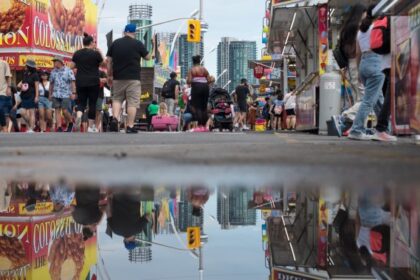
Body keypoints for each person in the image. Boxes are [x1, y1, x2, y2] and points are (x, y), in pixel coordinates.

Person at [106, 24, 155, 134]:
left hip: (118, 77)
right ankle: (130, 126)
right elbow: (148, 57)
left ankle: (115, 119)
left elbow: (108, 61)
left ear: (124, 32)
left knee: (117, 99)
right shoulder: (138, 44)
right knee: (132, 102)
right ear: (134, 33)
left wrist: (109, 75)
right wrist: (153, 45)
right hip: (133, 78)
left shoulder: (115, 43)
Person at [348, 6, 384, 141]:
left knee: (378, 100)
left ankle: (384, 129)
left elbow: (357, 53)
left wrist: (358, 71)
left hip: (364, 63)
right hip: (375, 62)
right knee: (368, 101)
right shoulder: (377, 26)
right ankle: (356, 130)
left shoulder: (360, 31)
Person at [372, 16, 397, 142]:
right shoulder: (395, 16)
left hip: (385, 62)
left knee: (391, 95)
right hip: (394, 61)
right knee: (391, 96)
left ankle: (386, 128)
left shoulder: (386, 18)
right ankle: (381, 129)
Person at [72, 34, 104, 133]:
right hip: (93, 81)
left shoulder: (77, 53)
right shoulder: (95, 54)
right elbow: (103, 63)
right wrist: (99, 51)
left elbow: (72, 66)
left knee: (81, 102)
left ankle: (79, 116)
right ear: (91, 43)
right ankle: (90, 127)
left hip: (80, 81)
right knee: (92, 103)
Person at [339, 4, 367, 104]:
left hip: (349, 63)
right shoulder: (359, 28)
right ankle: (357, 117)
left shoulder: (346, 28)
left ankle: (356, 117)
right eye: (365, 14)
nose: (366, 16)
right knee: (362, 94)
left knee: (356, 94)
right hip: (358, 60)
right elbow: (360, 48)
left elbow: (342, 47)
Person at [49, 56, 76, 132]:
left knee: (64, 111)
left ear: (60, 62)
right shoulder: (53, 71)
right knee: (57, 110)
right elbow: (51, 83)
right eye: (53, 61)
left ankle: (71, 122)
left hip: (66, 94)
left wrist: (73, 92)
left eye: (55, 61)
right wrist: (50, 94)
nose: (53, 63)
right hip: (56, 93)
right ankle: (59, 127)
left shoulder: (68, 70)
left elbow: (72, 82)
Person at [186, 55, 211, 132]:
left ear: (193, 62)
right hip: (205, 87)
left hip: (197, 87)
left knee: (197, 107)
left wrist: (194, 80)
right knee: (204, 107)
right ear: (199, 61)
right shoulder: (204, 69)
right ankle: (204, 126)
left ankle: (200, 126)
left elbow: (189, 81)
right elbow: (209, 80)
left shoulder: (192, 69)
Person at [18, 60, 39, 133]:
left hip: (32, 95)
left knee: (31, 112)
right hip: (24, 95)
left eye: (26, 65)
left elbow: (36, 86)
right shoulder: (25, 74)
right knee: (22, 111)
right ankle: (32, 124)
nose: (25, 66)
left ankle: (31, 128)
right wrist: (20, 85)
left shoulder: (35, 75)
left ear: (29, 67)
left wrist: (36, 96)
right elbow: (23, 82)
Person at [0, 58, 12, 133]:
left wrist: (9, 88)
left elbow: (8, 76)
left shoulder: (4, 63)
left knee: (0, 108)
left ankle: (4, 126)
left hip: (2, 91)